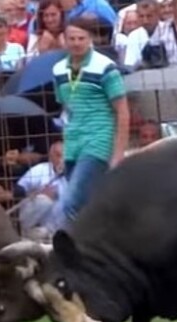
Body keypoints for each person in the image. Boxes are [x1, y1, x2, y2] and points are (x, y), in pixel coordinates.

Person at [49, 15, 129, 230]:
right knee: (88, 203)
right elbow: (67, 109)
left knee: (68, 204)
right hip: (73, 143)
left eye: (81, 38)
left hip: (98, 140)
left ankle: (72, 253)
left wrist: (118, 154)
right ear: (64, 39)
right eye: (72, 38)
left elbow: (122, 111)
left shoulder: (105, 67)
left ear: (91, 38)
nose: (76, 43)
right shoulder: (58, 70)